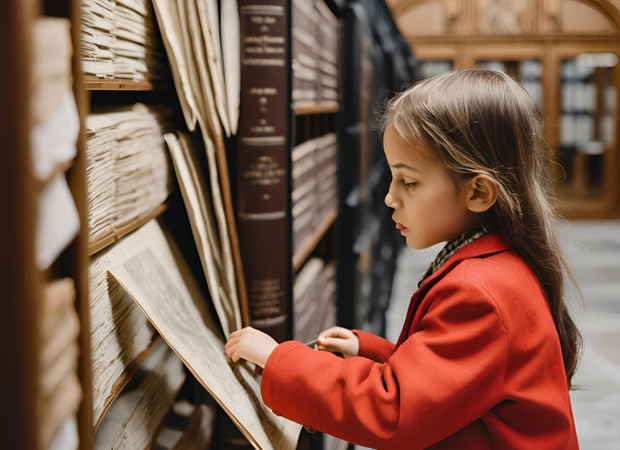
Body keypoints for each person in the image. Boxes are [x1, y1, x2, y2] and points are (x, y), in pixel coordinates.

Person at [225, 69, 581, 449]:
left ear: (478, 192)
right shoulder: (497, 263)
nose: (390, 198)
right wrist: (372, 352)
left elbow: (392, 411)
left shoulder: (480, 295)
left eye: (409, 182)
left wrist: (279, 360)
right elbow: (448, 380)